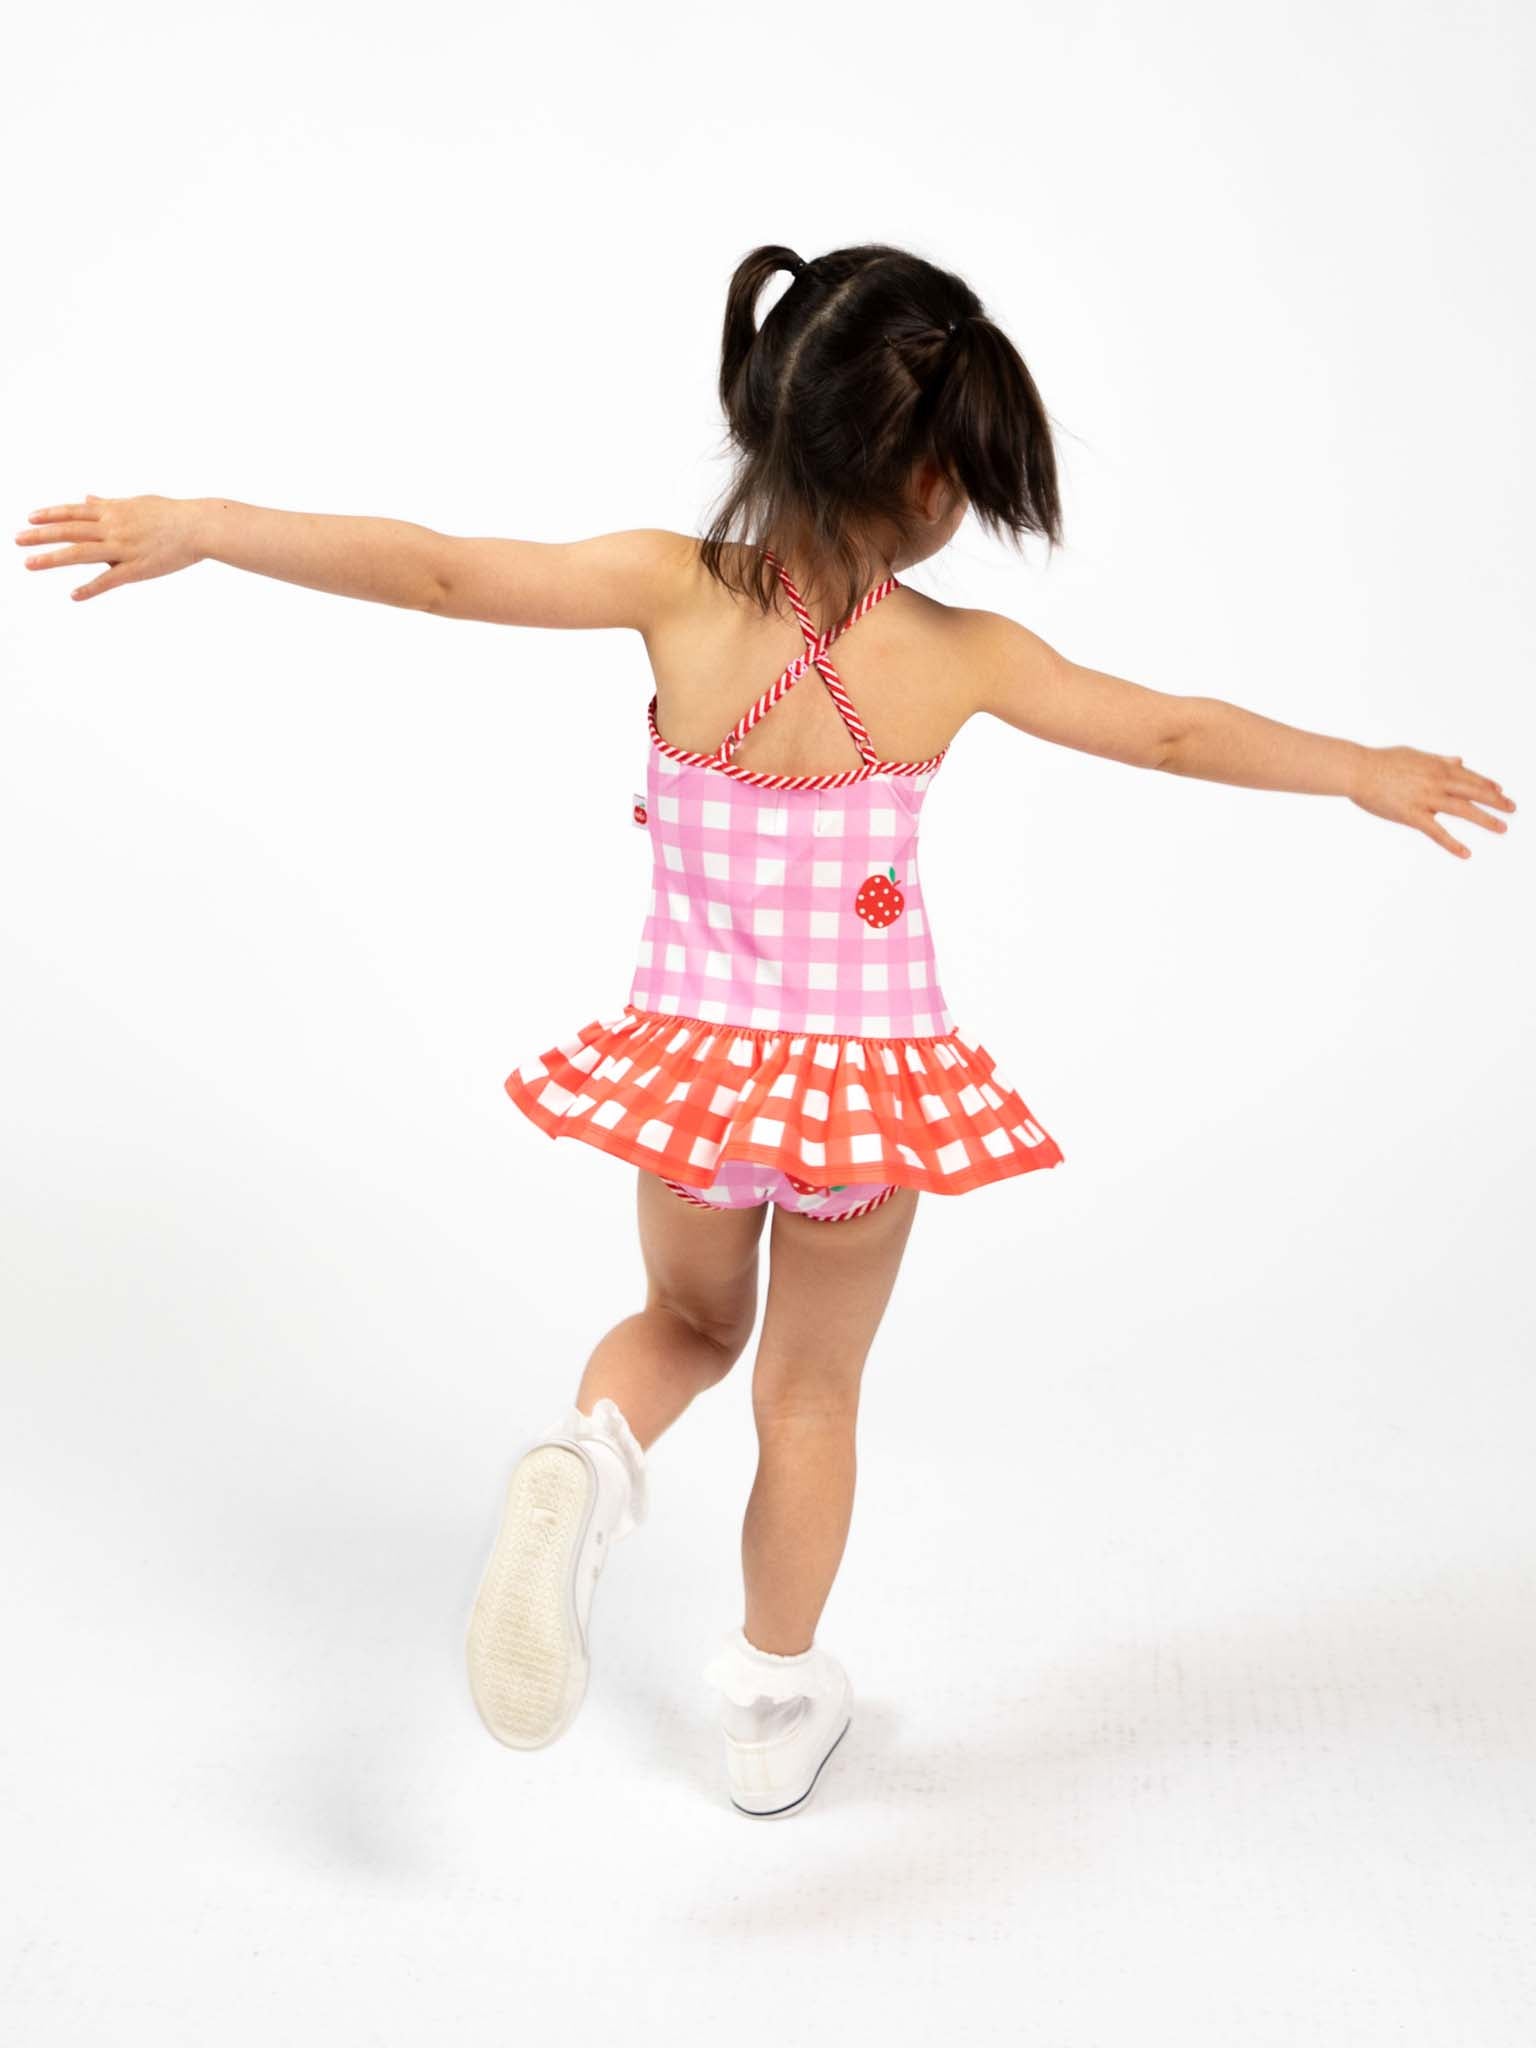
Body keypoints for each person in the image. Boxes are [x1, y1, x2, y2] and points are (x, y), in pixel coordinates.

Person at [16, 241, 1515, 1821]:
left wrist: (203, 528)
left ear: (775, 413)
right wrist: (1361, 764)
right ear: (936, 482)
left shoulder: (671, 589)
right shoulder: (956, 658)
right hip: (865, 1101)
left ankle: (590, 1461)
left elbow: (443, 568)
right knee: (809, 1396)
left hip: (694, 1083)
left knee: (683, 1329)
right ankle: (773, 1703)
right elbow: (1172, 731)